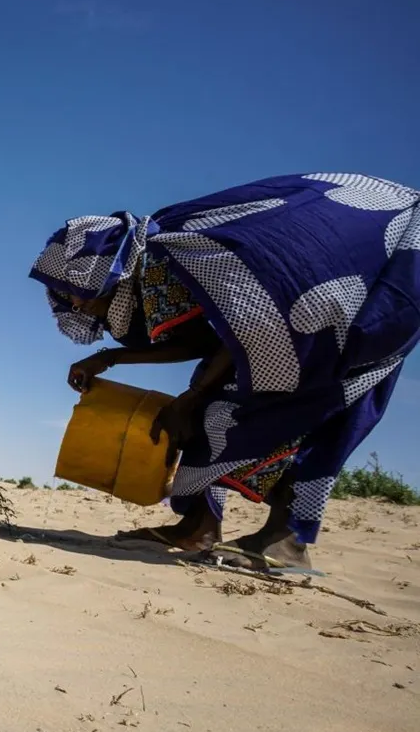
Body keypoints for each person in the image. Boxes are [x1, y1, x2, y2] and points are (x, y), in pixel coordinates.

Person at [29, 173, 419, 573]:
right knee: (213, 410)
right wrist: (111, 358)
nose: (73, 300)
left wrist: (192, 397)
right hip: (297, 333)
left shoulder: (165, 261)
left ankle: (284, 542)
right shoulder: (157, 266)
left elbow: (245, 327)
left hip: (337, 324)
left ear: (102, 268)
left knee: (243, 416)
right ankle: (200, 527)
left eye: (74, 286)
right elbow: (205, 339)